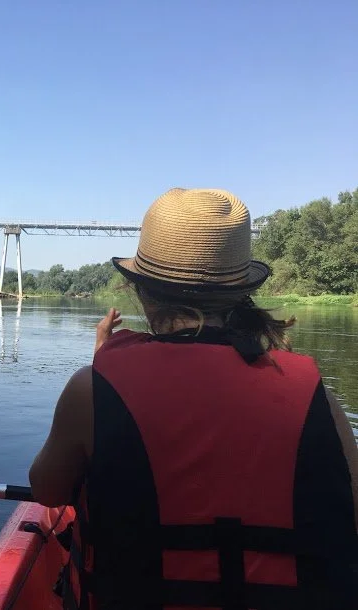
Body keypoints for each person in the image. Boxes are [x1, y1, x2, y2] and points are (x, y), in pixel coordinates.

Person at [29, 188, 358, 609]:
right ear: (240, 294)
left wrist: (102, 377)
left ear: (142, 292)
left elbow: (47, 490)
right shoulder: (318, 396)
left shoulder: (90, 390)